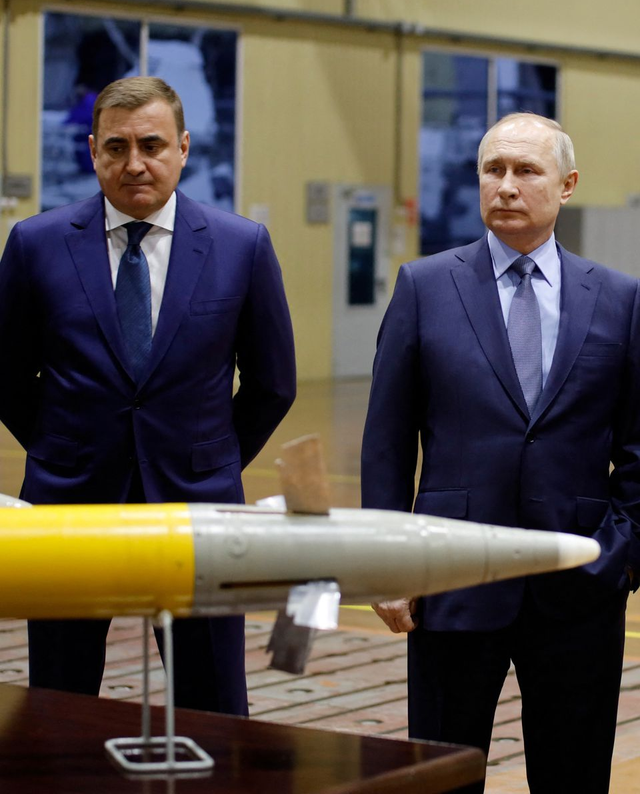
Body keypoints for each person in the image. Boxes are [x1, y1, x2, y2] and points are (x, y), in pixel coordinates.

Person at [361, 113, 640, 793]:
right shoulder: (425, 287)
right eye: (494, 169)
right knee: (441, 775)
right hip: (452, 580)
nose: (507, 185)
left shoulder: (619, 298)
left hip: (578, 582)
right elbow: (388, 439)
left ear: (567, 184)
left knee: (573, 775)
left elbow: (637, 445)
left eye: (526, 170)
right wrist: (384, 564)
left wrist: (621, 554)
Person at [0, 76, 296, 715]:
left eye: (152, 145)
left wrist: (209, 458)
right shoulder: (35, 244)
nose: (134, 163)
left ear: (183, 148)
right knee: (60, 703)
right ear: (93, 152)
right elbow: (7, 376)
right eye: (117, 147)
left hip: (198, 511)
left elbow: (273, 383)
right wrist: (63, 450)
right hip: (70, 509)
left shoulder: (241, 246)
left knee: (213, 707)